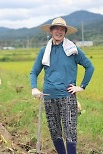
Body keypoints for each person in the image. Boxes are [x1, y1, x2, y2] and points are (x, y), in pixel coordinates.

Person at [30, 17, 94, 154]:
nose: (59, 32)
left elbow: (90, 67)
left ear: (65, 32)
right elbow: (33, 72)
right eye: (56, 29)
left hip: (67, 96)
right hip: (48, 97)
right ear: (51, 31)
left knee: (70, 131)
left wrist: (81, 86)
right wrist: (34, 88)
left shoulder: (73, 50)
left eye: (62, 29)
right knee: (54, 131)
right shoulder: (44, 51)